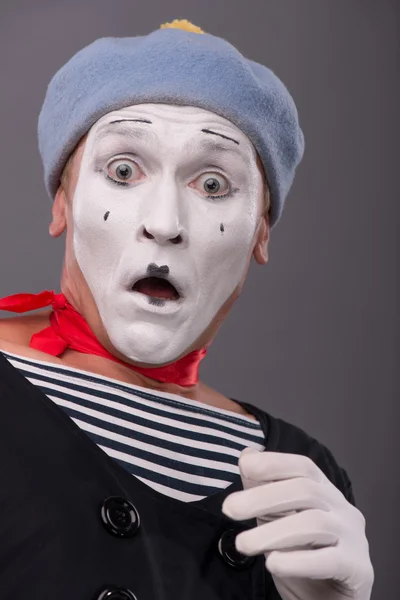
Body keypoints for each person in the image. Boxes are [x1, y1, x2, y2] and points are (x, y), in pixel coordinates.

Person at [0, 19, 373, 600]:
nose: (166, 223)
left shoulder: (305, 475)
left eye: (214, 185)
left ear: (260, 233)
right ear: (63, 202)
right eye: (123, 171)